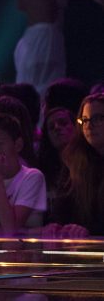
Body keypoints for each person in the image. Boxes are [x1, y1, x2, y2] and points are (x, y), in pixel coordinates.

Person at [43, 93, 104, 238]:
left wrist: (89, 231)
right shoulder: (74, 161)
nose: (89, 126)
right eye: (85, 120)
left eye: (97, 119)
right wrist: (55, 226)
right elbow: (62, 207)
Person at [37, 107, 74, 199]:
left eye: (63, 123)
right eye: (51, 127)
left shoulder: (91, 162)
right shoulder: (43, 170)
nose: (57, 128)